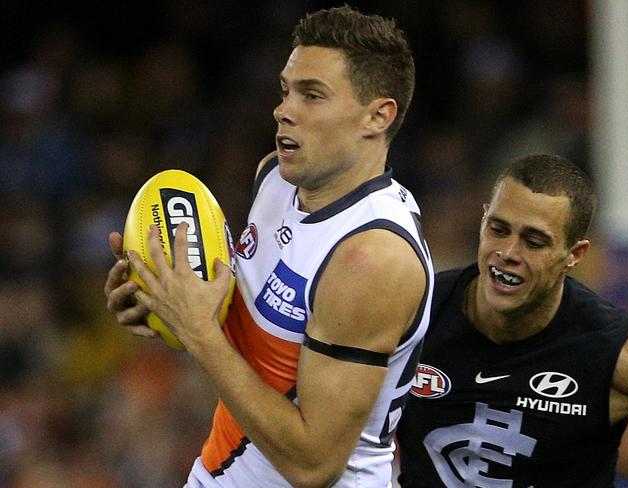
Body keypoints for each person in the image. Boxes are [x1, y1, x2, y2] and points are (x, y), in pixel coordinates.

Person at [105, 6, 433, 488]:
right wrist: (162, 299)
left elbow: (313, 464)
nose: (284, 109)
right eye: (286, 90)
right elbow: (251, 332)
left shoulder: (370, 257)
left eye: (312, 95)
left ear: (377, 116)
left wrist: (198, 332)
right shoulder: (275, 181)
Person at [396, 154, 628, 487]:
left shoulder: (623, 351)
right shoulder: (409, 311)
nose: (508, 252)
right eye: (498, 229)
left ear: (574, 255)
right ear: (483, 218)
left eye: (534, 242)